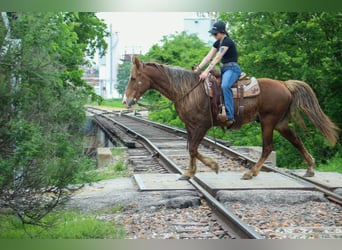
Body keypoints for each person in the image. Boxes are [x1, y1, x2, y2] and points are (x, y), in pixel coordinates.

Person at [195, 21, 241, 127]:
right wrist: (198, 68)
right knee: (213, 86)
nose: (214, 36)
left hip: (232, 69)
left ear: (222, 32)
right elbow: (208, 57)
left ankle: (230, 115)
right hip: (224, 69)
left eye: (215, 34)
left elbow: (217, 58)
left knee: (225, 86)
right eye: (213, 34)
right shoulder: (217, 43)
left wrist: (206, 72)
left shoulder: (227, 42)